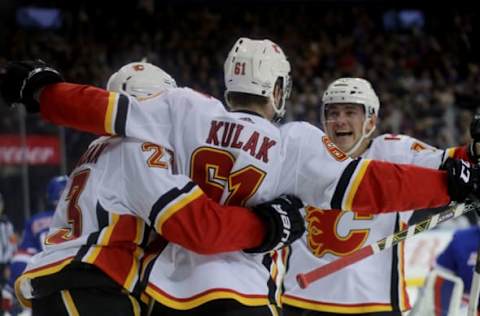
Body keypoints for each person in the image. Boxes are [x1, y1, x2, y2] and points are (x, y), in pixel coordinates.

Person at [0, 38, 477, 315]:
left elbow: (102, 109)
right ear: (277, 88)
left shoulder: (181, 107)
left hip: (165, 294)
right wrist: (450, 184)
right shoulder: (296, 141)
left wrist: (40, 89)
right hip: (245, 294)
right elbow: (368, 187)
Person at [0, 61, 306, 316]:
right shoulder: (140, 149)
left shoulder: (97, 147)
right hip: (96, 287)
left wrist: (45, 93)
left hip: (64, 283)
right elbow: (197, 227)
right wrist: (267, 225)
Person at [280, 77, 480, 316]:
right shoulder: (305, 151)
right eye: (332, 113)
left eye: (350, 112)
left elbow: (457, 162)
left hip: (375, 305)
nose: (339, 120)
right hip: (302, 302)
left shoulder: (395, 152)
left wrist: (475, 148)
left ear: (371, 120)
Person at [1, 175, 67, 315]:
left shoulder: (36, 221)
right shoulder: (84, 218)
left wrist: (9, 287)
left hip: (42, 287)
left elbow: (21, 259)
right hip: (77, 285)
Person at [0, 193, 17, 316]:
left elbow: (12, 243)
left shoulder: (7, 223)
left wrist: (9, 262)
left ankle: (7, 311)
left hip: (5, 263)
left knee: (7, 291)